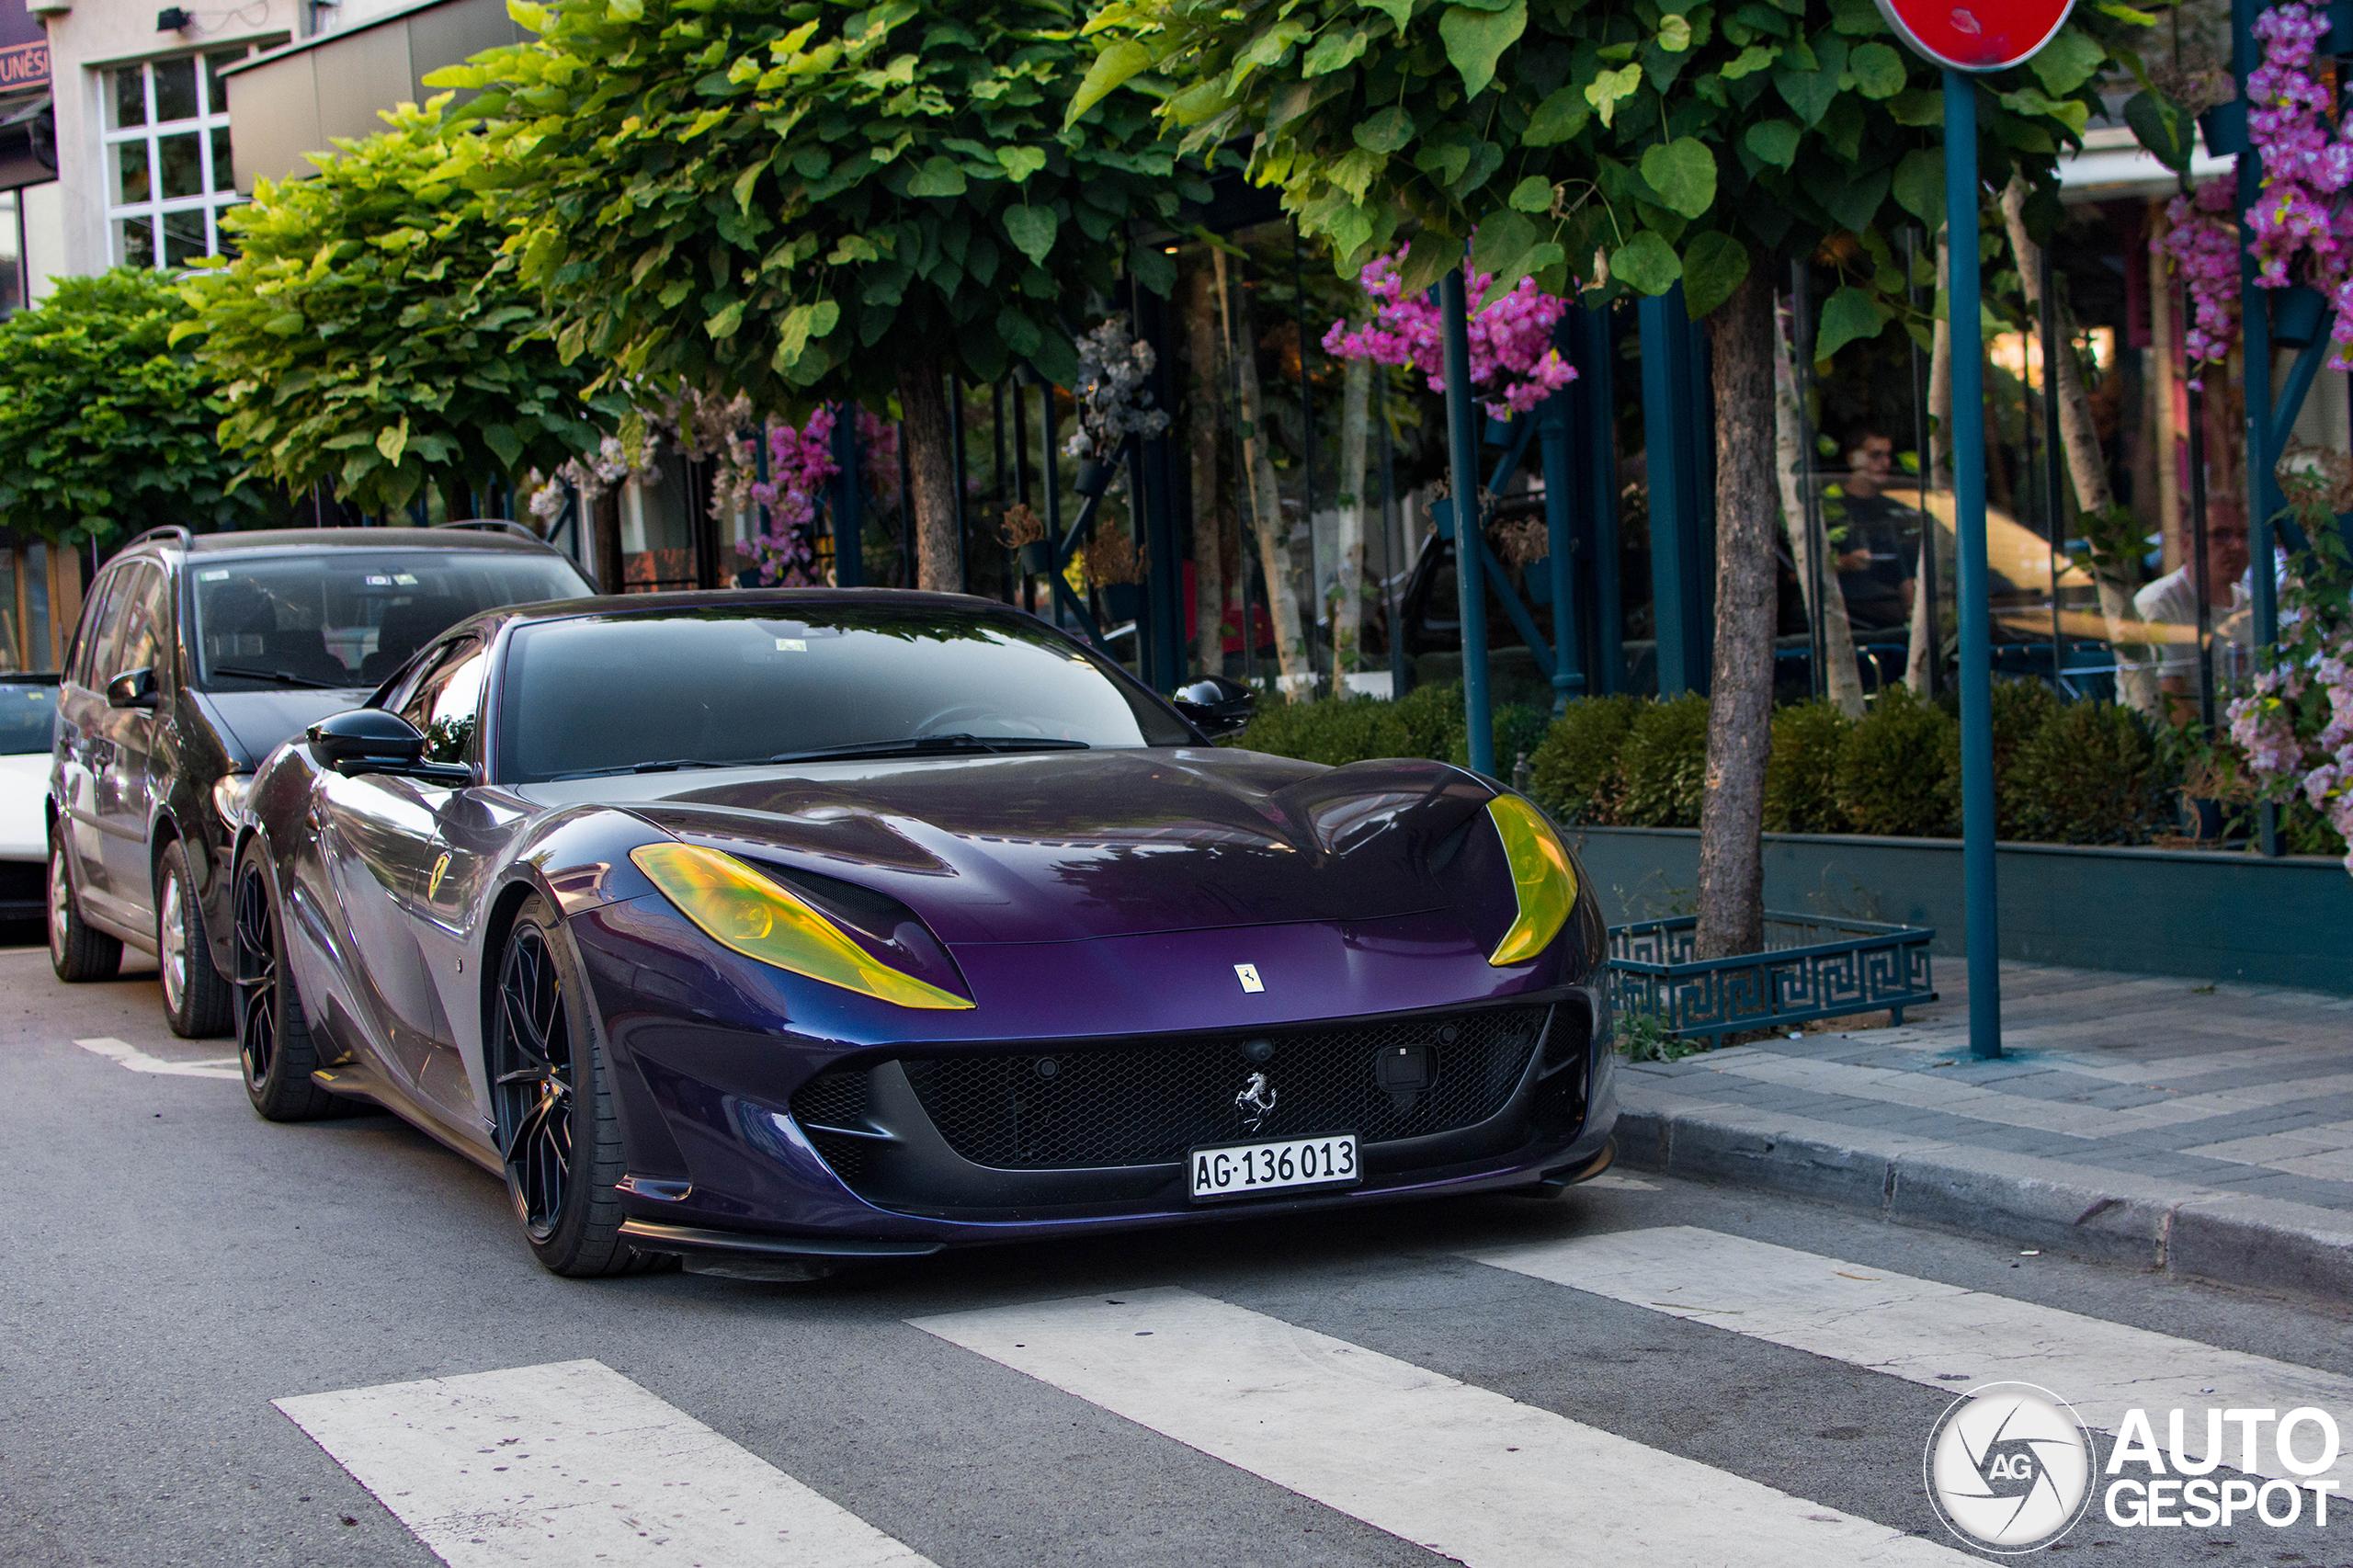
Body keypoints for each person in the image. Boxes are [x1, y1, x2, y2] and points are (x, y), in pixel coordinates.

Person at [2132, 507, 2252, 725]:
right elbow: (2175, 705)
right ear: (2187, 544)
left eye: (2244, 535)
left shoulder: (2250, 603)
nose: (2237, 546)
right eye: (2221, 536)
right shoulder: (2160, 602)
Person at [1827, 431, 1919, 632]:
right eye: (1875, 455)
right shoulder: (1829, 507)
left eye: (1888, 455)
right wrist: (1844, 563)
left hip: (1891, 613)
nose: (1885, 462)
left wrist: (1912, 613)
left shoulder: (1894, 509)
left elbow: (1905, 570)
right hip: (1843, 615)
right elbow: (1797, 570)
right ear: (1853, 459)